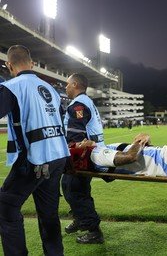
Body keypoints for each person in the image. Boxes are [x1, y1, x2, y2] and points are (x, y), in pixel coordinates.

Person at [0, 45, 70, 256]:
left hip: (35, 159)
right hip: (58, 155)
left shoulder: (12, 86)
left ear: (9, 65)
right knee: (48, 213)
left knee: (6, 209)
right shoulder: (50, 89)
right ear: (31, 63)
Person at [61, 73, 105, 244]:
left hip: (84, 155)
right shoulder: (85, 101)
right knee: (68, 185)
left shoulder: (79, 104)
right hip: (90, 152)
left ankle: (93, 230)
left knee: (75, 190)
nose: (65, 87)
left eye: (67, 84)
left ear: (75, 84)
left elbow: (77, 136)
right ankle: (81, 219)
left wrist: (72, 153)